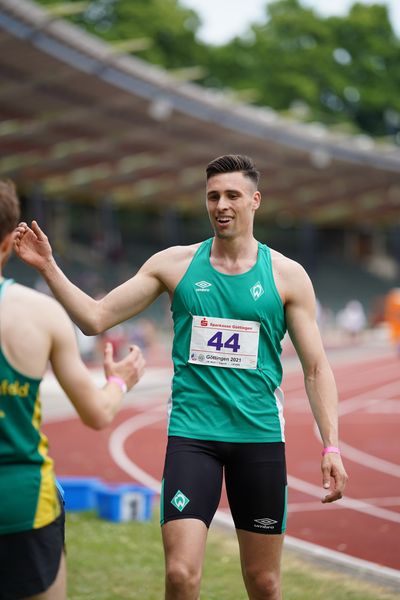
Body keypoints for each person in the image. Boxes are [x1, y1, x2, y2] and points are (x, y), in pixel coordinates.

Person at [14, 155, 348, 600]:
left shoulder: (286, 275)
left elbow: (316, 367)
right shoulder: (174, 265)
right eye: (213, 196)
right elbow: (95, 318)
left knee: (265, 583)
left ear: (255, 200)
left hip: (260, 438)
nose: (221, 205)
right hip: (193, 436)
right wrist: (48, 266)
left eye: (232, 195)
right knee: (180, 575)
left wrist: (331, 445)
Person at [0, 180, 145, 600]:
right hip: (23, 505)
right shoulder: (41, 314)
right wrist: (120, 380)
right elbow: (97, 413)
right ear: (11, 242)